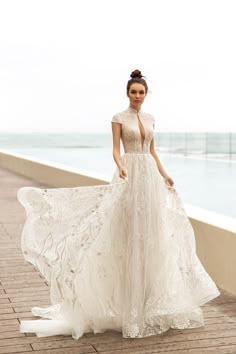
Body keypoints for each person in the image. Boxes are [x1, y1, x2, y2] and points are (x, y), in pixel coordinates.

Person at [18, 69, 220, 340]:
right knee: (128, 234)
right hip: (131, 173)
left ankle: (150, 301)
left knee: (152, 236)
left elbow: (152, 150)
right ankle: (128, 306)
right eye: (133, 92)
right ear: (128, 93)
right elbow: (115, 148)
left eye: (141, 92)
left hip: (150, 176)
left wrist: (164, 173)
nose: (137, 96)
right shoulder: (118, 118)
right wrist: (120, 165)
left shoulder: (150, 118)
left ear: (146, 95)